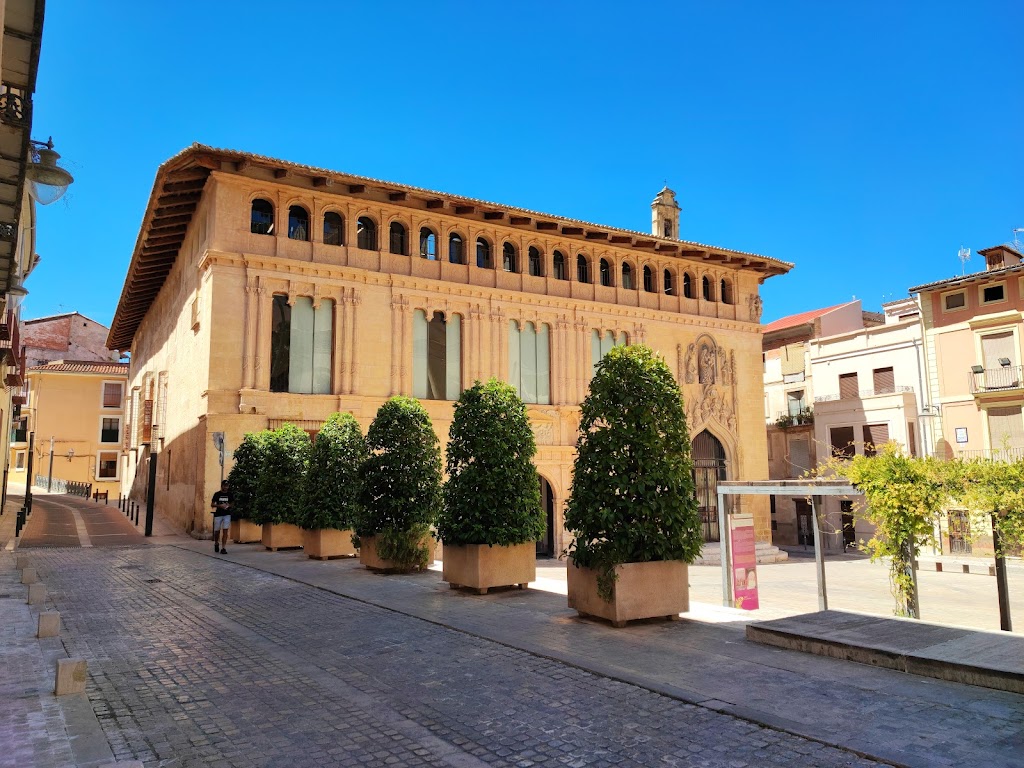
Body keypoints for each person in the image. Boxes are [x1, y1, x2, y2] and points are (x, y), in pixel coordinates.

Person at [210, 480, 231, 554]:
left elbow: (233, 503)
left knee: (225, 530)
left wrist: (228, 505)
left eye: (227, 486)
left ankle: (223, 548)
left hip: (227, 514)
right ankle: (216, 543)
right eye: (224, 485)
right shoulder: (217, 494)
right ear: (221, 486)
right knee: (217, 531)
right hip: (218, 514)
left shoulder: (230, 494)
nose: (226, 487)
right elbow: (212, 504)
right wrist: (220, 506)